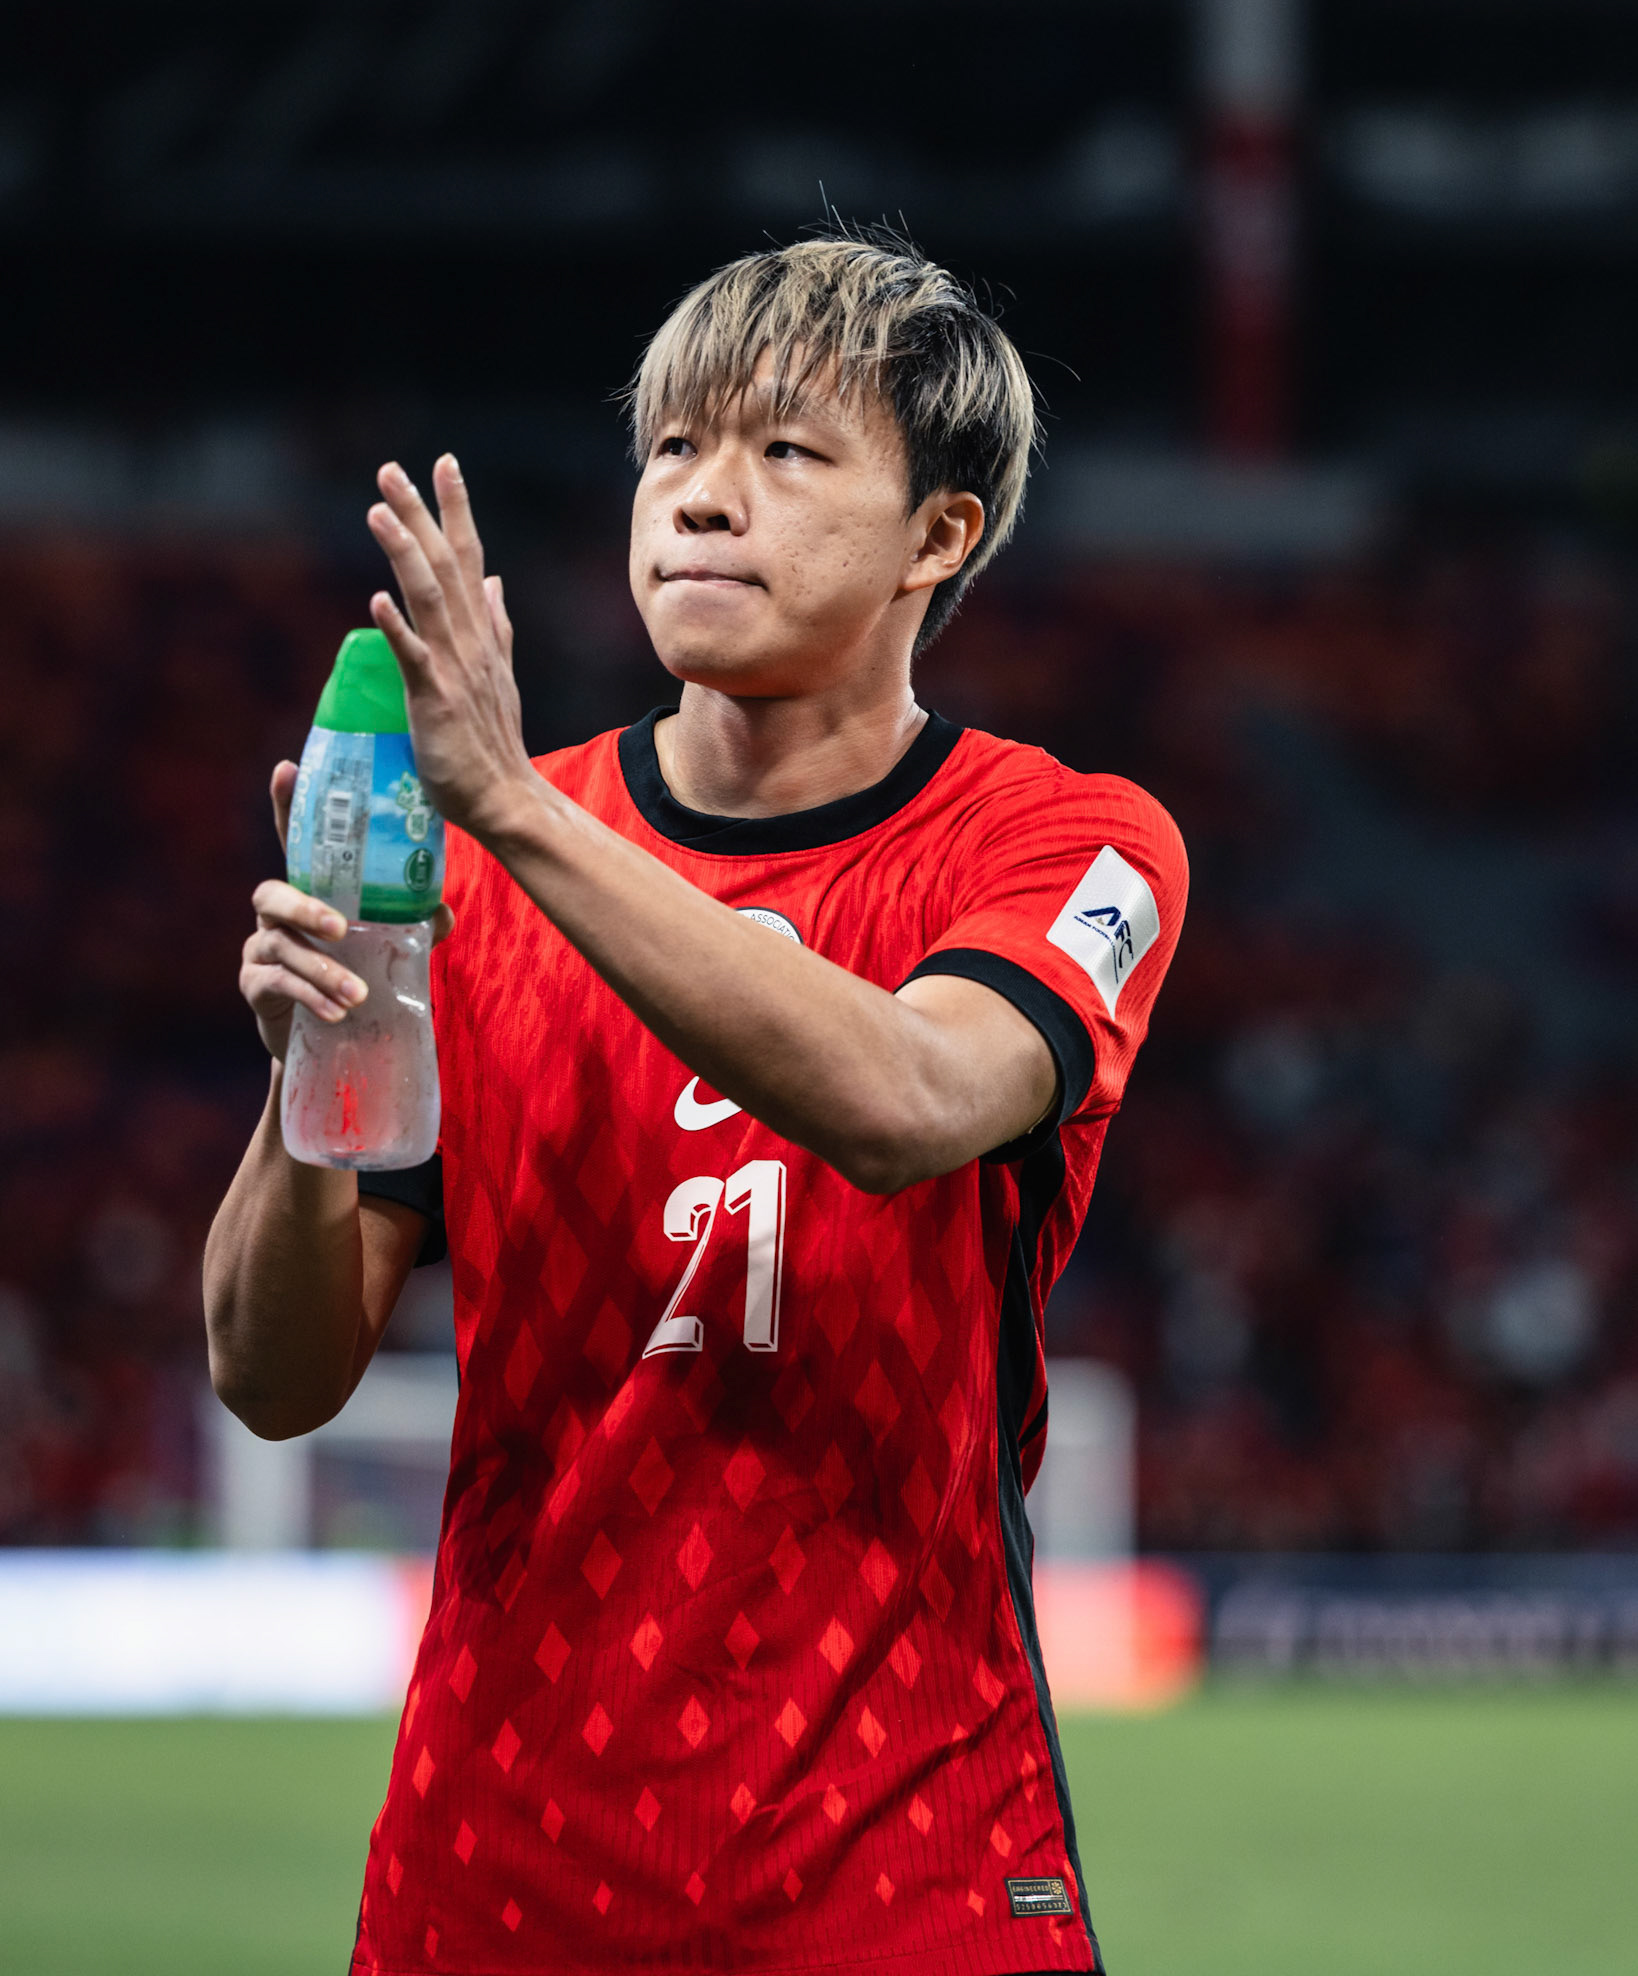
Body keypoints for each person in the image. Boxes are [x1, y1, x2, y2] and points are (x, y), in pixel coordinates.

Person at [205, 232, 1186, 1976]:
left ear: (938, 538)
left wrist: (511, 811)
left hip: (908, 1867)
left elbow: (905, 1095)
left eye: (785, 454)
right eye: (673, 449)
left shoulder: (1068, 843)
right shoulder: (480, 874)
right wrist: (309, 1086)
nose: (703, 499)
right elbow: (275, 1381)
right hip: (490, 1874)